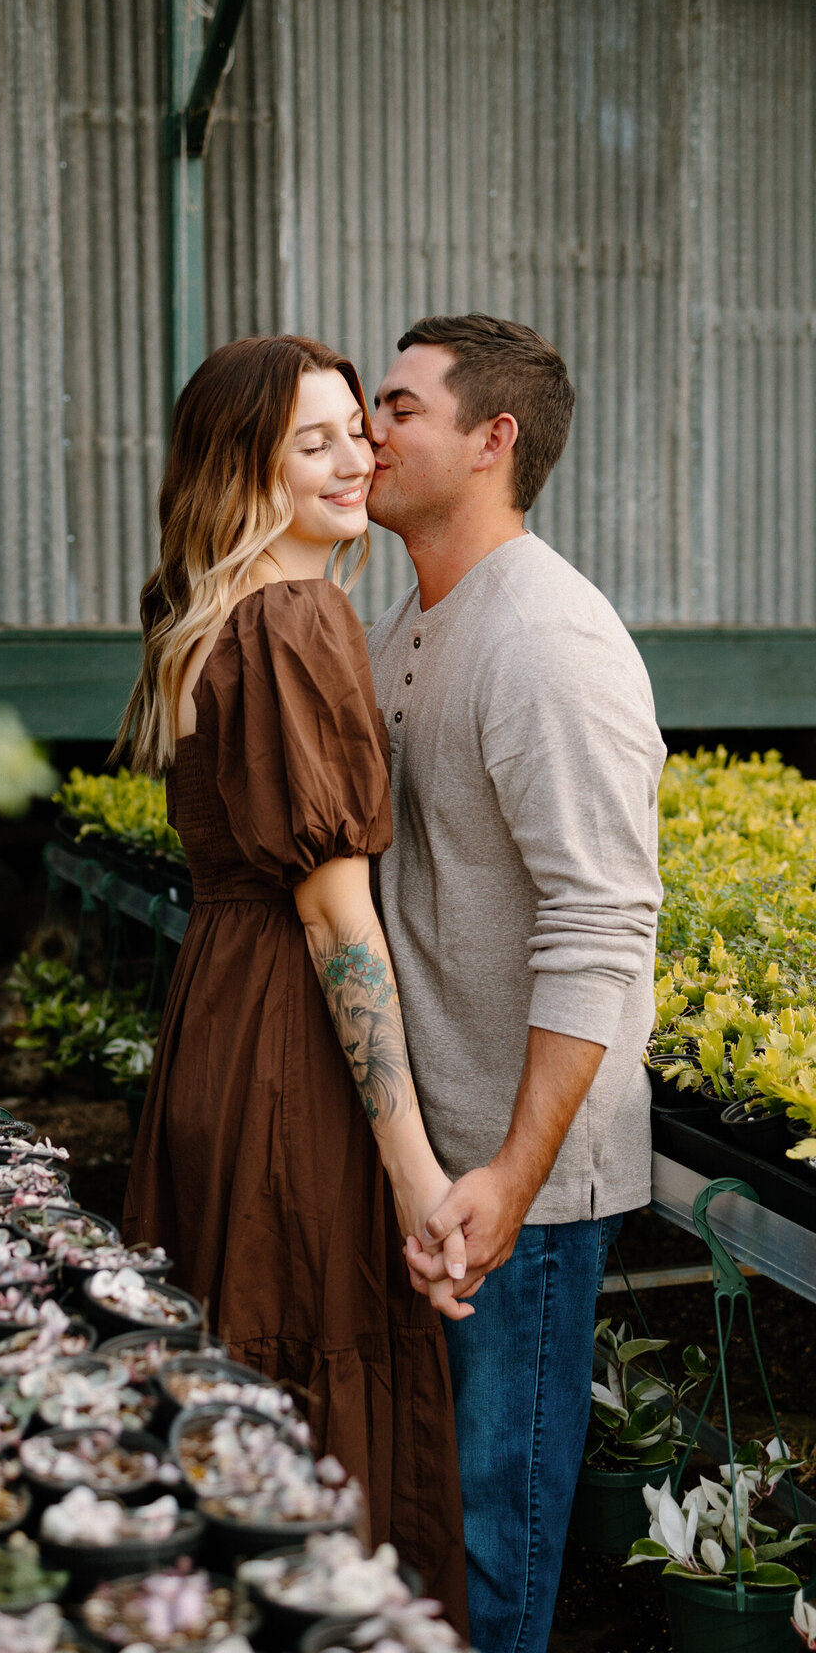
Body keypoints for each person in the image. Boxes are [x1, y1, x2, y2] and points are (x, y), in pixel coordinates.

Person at [119, 334, 469, 1630]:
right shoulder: (294, 617)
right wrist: (414, 1167)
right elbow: (336, 918)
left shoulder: (219, 620)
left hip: (217, 1022)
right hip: (289, 1057)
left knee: (240, 1368)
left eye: (356, 433)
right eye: (312, 441)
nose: (354, 458)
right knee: (312, 1374)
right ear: (244, 471)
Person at [365, 313, 667, 1653]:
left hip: (522, 1193)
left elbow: (604, 924)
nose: (372, 430)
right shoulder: (410, 623)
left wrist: (513, 1174)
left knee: (494, 1542)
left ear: (493, 441)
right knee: (422, 1526)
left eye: (399, 407)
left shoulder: (551, 639)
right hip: (441, 1168)